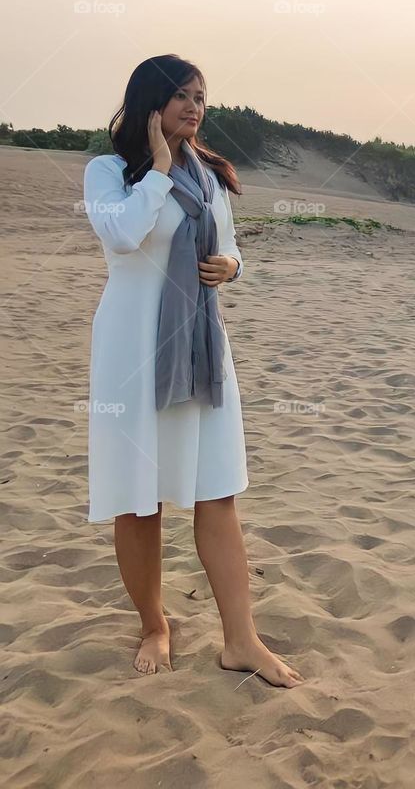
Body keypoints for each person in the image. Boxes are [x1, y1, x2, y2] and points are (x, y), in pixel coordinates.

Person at [83, 53, 304, 686]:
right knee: (138, 500)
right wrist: (155, 170)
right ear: (149, 100)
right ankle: (156, 624)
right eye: (180, 94)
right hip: (133, 355)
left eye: (201, 96)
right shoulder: (108, 173)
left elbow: (228, 245)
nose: (194, 106)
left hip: (202, 352)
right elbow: (123, 236)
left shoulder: (207, 174)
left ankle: (242, 640)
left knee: (218, 493)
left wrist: (234, 267)